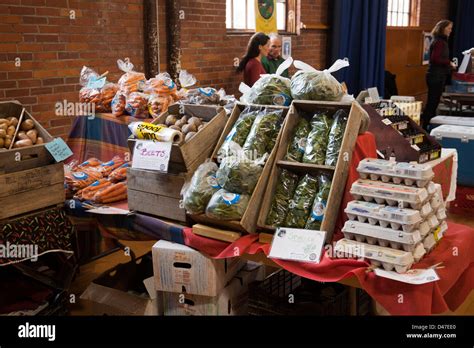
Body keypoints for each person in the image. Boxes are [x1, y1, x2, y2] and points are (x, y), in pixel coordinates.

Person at [422, 20, 456, 129]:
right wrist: (449, 63)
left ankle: (428, 126)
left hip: (437, 75)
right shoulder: (440, 42)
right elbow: (435, 59)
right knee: (432, 103)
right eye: (449, 28)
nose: (450, 31)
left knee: (434, 102)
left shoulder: (440, 41)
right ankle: (425, 127)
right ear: (442, 28)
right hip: (435, 76)